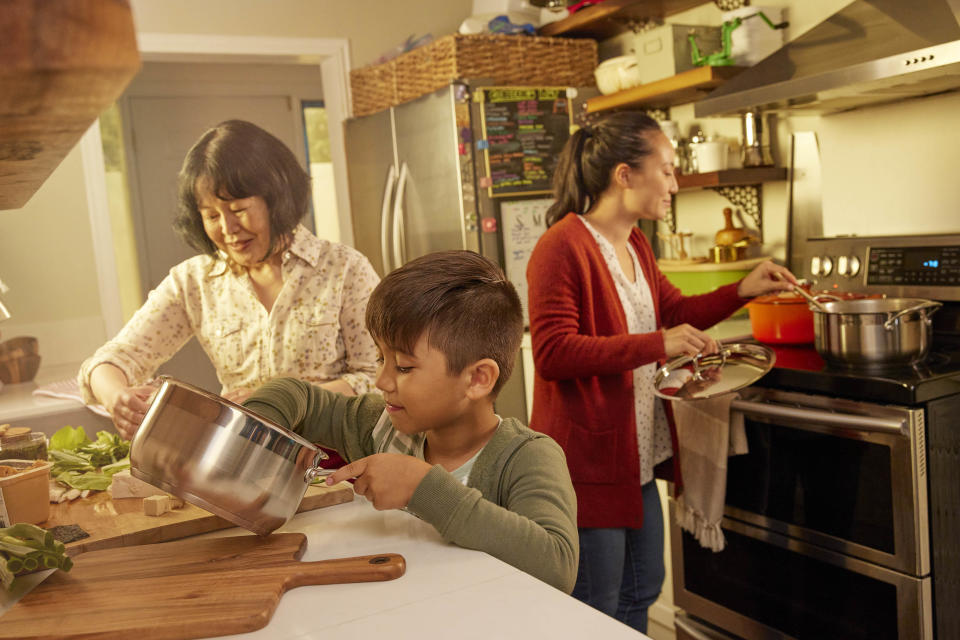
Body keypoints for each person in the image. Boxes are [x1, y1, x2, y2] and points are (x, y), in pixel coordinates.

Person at [525, 111, 798, 631]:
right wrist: (657, 343)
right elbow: (555, 353)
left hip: (638, 459)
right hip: (587, 463)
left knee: (641, 592)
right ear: (624, 174)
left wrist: (744, 287)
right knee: (596, 612)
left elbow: (671, 313)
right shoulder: (562, 247)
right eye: (667, 170)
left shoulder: (635, 244)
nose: (674, 184)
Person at [243, 250, 579, 593]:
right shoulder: (379, 426)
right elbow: (297, 396)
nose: (382, 380)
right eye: (380, 358)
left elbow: (557, 565)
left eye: (403, 367)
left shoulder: (526, 457)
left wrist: (423, 488)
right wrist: (250, 434)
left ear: (478, 379)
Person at [79, 120, 380, 441]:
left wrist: (282, 402)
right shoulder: (193, 282)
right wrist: (115, 397)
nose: (228, 228)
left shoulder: (344, 268)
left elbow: (375, 377)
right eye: (211, 216)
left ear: (277, 200)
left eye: (239, 209)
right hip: (242, 459)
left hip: (339, 457)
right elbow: (112, 360)